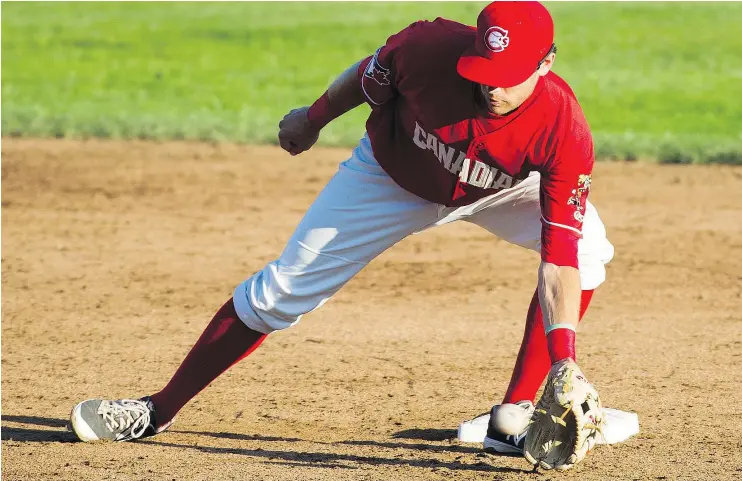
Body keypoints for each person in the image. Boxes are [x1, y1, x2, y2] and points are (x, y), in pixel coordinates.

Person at [69, 1, 614, 470]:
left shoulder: (563, 128)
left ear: (546, 64)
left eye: (510, 73)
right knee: (279, 292)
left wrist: (563, 356)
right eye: (483, 69)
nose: (492, 86)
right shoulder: (425, 48)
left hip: (494, 190)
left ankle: (512, 415)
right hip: (390, 176)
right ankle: (156, 411)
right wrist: (312, 118)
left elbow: (559, 255)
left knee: (589, 249)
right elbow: (365, 79)